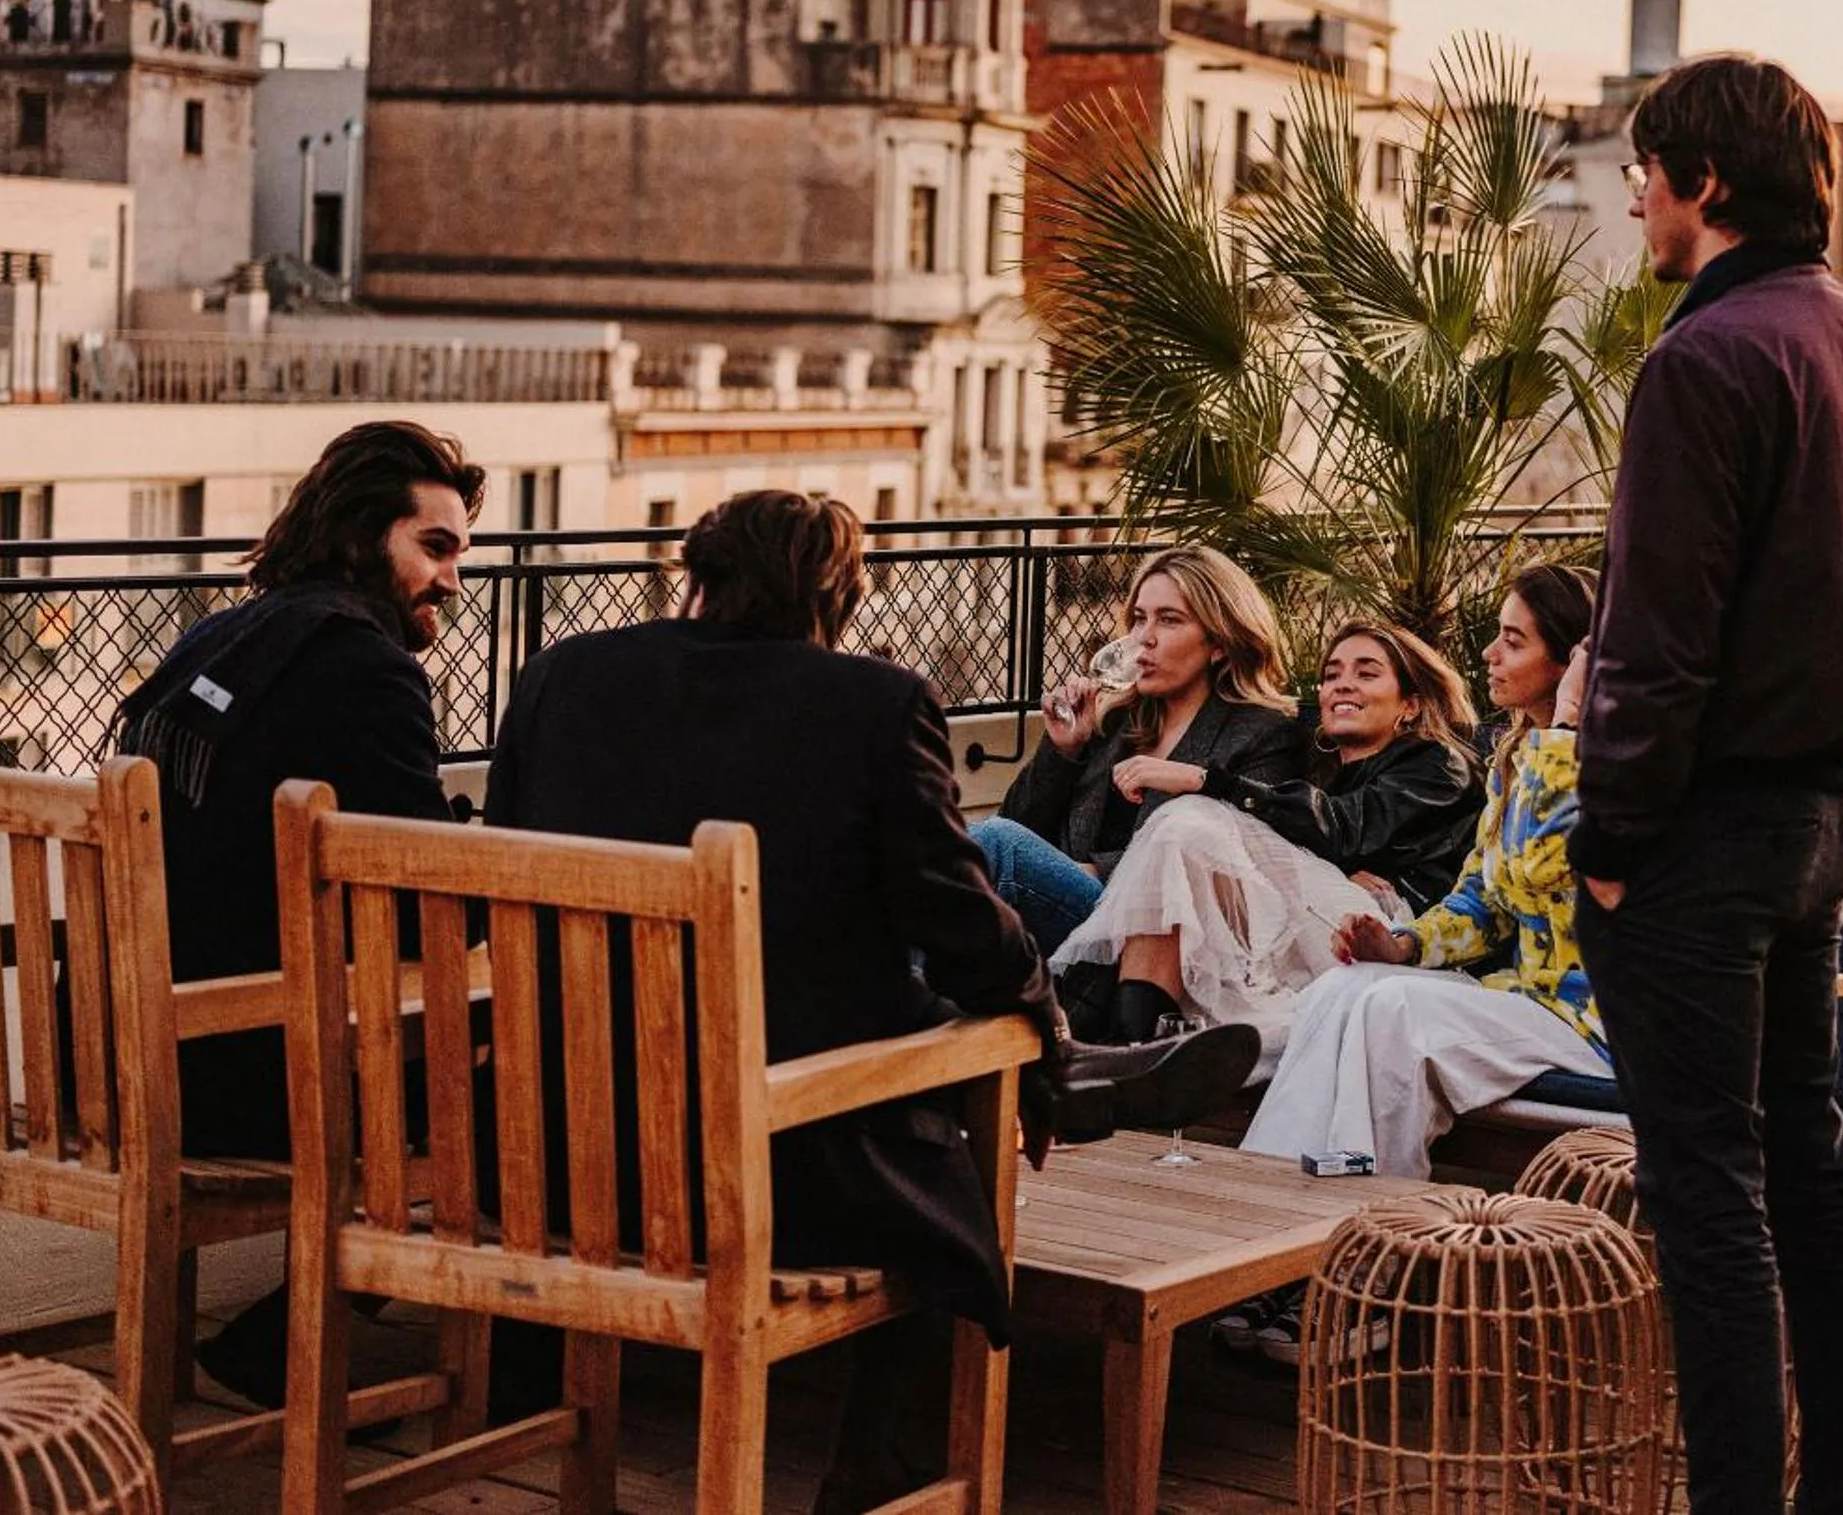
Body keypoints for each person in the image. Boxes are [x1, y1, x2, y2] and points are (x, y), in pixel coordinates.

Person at [483, 491, 1258, 1510]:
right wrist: (1035, 1028)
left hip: (547, 1158)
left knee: (908, 1022)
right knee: (948, 1098)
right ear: (836, 595)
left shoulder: (556, 679)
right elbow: (958, 923)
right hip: (775, 1174)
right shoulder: (868, 703)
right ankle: (878, 1454)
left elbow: (503, 867)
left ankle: (520, 1384)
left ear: (697, 573)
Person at [1574, 55, 1843, 1515]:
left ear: (1705, 183)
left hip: (1705, 838)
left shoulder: (1704, 360)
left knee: (1707, 1203)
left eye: (1649, 168)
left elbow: (1656, 639)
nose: (1634, 192)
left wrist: (1608, 842)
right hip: (1828, 813)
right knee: (1807, 1178)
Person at [111, 419, 482, 1398]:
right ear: (367, 537)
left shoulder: (215, 636)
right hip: (234, 1072)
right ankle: (508, 1380)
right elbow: (424, 893)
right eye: (435, 548)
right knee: (508, 1098)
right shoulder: (363, 666)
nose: (451, 580)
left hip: (114, 1050)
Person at [1224, 566, 1606, 1366]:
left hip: (1602, 1022)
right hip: (1526, 1006)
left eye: (1514, 640)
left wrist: (1570, 730)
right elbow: (1481, 905)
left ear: (1576, 659)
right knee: (1348, 988)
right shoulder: (1512, 762)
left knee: (1394, 1014)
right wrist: (1401, 947)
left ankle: (1373, 1282)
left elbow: (1544, 868)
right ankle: (1266, 1248)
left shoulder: (1613, 764)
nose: (1491, 656)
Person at [1053, 616, 1483, 1055]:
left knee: (1189, 821)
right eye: (1331, 675)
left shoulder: (1438, 765)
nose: (1343, 684)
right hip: (1326, 924)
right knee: (1185, 846)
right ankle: (1135, 1045)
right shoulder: (1322, 774)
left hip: (1401, 936)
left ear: (1409, 705)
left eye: (1366, 673)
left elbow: (1344, 828)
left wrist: (1205, 779)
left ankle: (1130, 1041)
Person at [976, 546, 1305, 975]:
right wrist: (1064, 751)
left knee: (991, 843)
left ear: (1219, 644)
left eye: (1169, 620)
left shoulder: (1262, 733)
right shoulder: (1116, 724)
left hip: (1157, 934)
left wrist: (1097, 869)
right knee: (948, 850)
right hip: (1073, 915)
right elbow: (1022, 824)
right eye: (1138, 618)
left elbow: (1244, 865)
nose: (1143, 638)